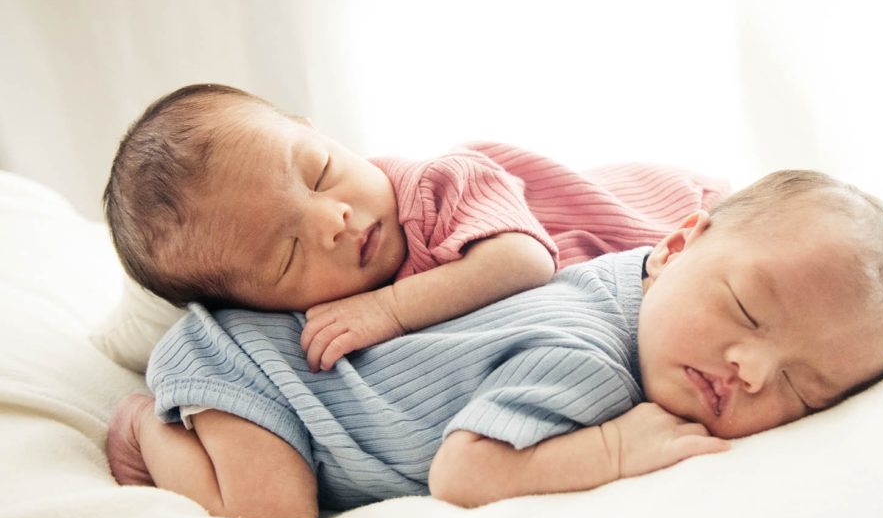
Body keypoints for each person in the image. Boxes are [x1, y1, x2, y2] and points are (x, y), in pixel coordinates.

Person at [107, 170, 883, 518]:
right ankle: (149, 425)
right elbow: (462, 473)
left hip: (283, 365)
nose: (752, 371)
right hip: (258, 374)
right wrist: (609, 450)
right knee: (272, 515)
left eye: (803, 391)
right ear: (675, 246)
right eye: (745, 309)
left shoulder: (636, 288)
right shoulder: (589, 362)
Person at [103, 83, 727, 372]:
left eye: (320, 173)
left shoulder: (440, 185)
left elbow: (523, 262)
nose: (332, 220)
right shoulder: (317, 317)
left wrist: (391, 309)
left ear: (317, 131)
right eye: (288, 254)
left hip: (676, 218)